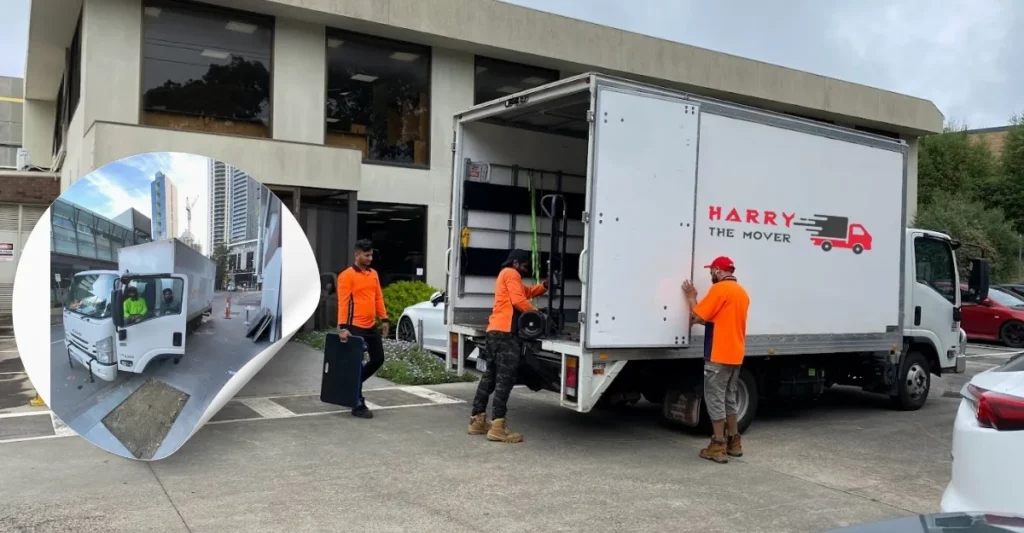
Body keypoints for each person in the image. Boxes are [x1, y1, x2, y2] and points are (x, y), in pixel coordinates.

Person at [467, 249, 548, 443]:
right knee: (505, 380)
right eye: (525, 265)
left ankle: (477, 421)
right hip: (505, 334)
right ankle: (498, 427)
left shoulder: (507, 275)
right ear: (516, 263)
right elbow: (519, 301)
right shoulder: (511, 273)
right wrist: (539, 314)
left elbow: (525, 292)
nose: (525, 269)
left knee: (490, 377)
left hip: (494, 332)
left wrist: (544, 286)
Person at [682, 256, 750, 464]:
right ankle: (734, 442)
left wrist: (692, 296)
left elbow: (696, 316)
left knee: (715, 399)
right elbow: (715, 320)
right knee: (730, 398)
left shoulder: (720, 290)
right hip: (735, 355)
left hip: (718, 354)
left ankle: (718, 445)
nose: (710, 275)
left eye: (712, 271)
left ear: (719, 271)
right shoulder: (742, 293)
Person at [337, 239, 390, 419]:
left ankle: (351, 384)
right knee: (356, 364)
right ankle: (357, 403)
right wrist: (343, 327)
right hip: (354, 327)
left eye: (371, 255)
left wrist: (384, 318)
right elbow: (343, 302)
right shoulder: (346, 276)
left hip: (370, 325)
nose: (370, 258)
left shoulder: (373, 274)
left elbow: (378, 297)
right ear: (357, 255)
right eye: (367, 255)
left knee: (378, 359)